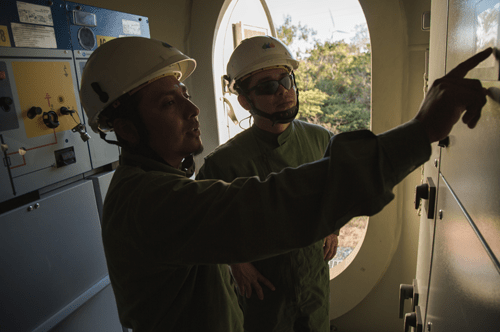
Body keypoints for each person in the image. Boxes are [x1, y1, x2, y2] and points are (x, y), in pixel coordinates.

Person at [79, 36, 492, 332]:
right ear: (126, 129)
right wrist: (419, 133)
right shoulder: (151, 201)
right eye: (169, 102)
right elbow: (272, 207)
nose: (192, 108)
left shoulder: (156, 185)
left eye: (184, 93)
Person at [196, 35, 338, 332]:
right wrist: (236, 263)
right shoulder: (222, 163)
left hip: (313, 282)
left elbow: (336, 190)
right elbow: (205, 228)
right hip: (264, 291)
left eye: (286, 80)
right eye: (268, 87)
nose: (284, 92)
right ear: (245, 100)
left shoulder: (320, 139)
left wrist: (333, 228)